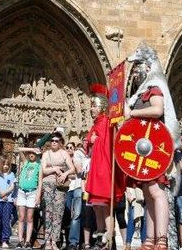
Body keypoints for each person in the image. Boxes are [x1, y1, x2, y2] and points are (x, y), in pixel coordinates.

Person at [123, 44, 180, 250]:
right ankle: (149, 239)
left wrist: (134, 113)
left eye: (138, 71)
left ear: (147, 68)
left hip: (156, 149)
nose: (136, 76)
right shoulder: (140, 94)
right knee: (148, 194)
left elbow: (157, 110)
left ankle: (162, 239)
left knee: (157, 192)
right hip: (143, 150)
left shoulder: (155, 88)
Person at [83, 84, 118, 250]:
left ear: (102, 107)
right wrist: (90, 142)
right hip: (95, 168)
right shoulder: (96, 124)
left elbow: (108, 146)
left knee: (105, 205)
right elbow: (88, 146)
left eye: (94, 105)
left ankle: (108, 239)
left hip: (104, 168)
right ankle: (100, 235)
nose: (91, 108)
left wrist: (94, 141)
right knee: (96, 205)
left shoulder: (106, 122)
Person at [42, 132, 75, 250]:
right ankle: (47, 241)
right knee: (48, 212)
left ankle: (55, 241)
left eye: (56, 141)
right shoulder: (46, 154)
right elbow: (44, 170)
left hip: (60, 185)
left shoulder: (64, 153)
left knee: (58, 213)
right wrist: (55, 168)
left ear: (60, 142)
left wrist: (65, 173)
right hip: (48, 183)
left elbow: (72, 168)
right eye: (52, 141)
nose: (54, 142)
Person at [15, 148, 42, 249]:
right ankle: (20, 240)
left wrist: (38, 196)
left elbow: (39, 182)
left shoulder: (39, 165)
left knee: (30, 218)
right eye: (30, 153)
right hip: (22, 191)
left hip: (32, 192)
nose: (31, 154)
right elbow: (19, 150)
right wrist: (31, 148)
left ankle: (27, 241)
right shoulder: (25, 162)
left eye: (34, 153)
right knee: (21, 217)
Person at [0, 157, 17, 248]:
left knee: (6, 220)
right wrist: (0, 193)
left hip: (8, 201)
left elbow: (12, 186)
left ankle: (4, 240)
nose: (5, 166)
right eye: (4, 164)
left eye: (7, 165)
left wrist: (5, 193)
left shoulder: (12, 174)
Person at [65, 139, 87, 250]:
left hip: (89, 187)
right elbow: (79, 171)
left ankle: (85, 241)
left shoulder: (92, 154)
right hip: (78, 187)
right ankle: (73, 241)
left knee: (88, 215)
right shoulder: (79, 154)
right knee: (76, 214)